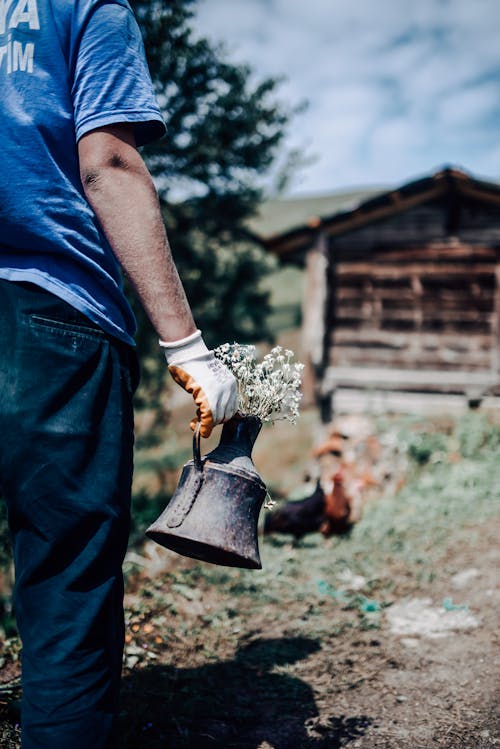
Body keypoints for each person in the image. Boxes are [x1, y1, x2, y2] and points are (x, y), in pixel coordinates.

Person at [0, 0, 238, 746]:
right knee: (68, 581)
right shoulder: (87, 4)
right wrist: (187, 347)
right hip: (55, 319)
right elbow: (106, 160)